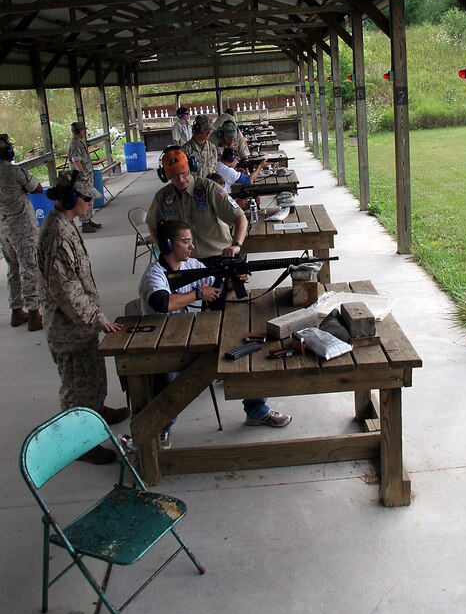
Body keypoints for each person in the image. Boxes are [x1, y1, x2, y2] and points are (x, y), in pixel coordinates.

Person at [146, 154, 292, 428]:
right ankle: (160, 423)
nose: (181, 179)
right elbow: (152, 225)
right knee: (181, 339)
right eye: (175, 175)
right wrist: (166, 252)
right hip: (185, 270)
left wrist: (236, 246)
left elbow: (240, 218)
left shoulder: (209, 189)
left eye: (184, 173)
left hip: (217, 261)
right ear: (166, 176)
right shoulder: (162, 197)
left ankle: (256, 408)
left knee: (241, 331)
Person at [37, 171, 130, 464]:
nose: (90, 202)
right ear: (69, 199)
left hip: (81, 325)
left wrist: (93, 318)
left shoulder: (66, 223)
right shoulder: (56, 235)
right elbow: (66, 291)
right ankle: (79, 443)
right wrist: (98, 318)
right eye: (86, 197)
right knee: (77, 386)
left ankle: (96, 410)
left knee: (92, 375)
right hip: (68, 328)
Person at [138, 219, 220, 449]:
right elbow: (162, 302)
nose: (191, 247)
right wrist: (198, 294)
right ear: (166, 245)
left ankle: (257, 409)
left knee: (237, 350)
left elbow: (215, 282)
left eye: (191, 241)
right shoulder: (154, 275)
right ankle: (161, 426)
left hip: (193, 337)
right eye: (185, 241)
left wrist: (233, 276)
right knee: (167, 376)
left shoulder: (191, 265)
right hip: (162, 344)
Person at [0, 133, 43, 331]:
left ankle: (16, 310)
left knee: (13, 269)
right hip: (22, 229)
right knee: (29, 268)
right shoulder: (14, 171)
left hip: (4, 229)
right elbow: (36, 188)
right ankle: (34, 313)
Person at [67, 121, 101, 233]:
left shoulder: (78, 143)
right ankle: (85, 223)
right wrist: (82, 175)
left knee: (89, 198)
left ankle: (88, 219)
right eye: (82, 130)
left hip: (87, 176)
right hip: (83, 178)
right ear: (77, 132)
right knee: (85, 199)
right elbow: (76, 162)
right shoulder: (74, 145)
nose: (84, 132)